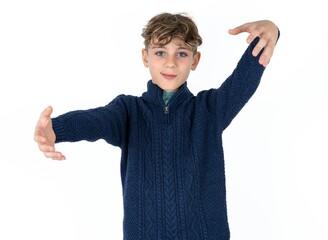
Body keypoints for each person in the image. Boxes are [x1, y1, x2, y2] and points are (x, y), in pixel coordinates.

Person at [34, 12, 279, 240]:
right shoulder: (128, 111)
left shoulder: (209, 109)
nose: (170, 63)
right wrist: (56, 128)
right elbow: (95, 121)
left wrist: (272, 31)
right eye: (160, 52)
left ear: (195, 60)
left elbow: (243, 81)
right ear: (145, 57)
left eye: (181, 54)